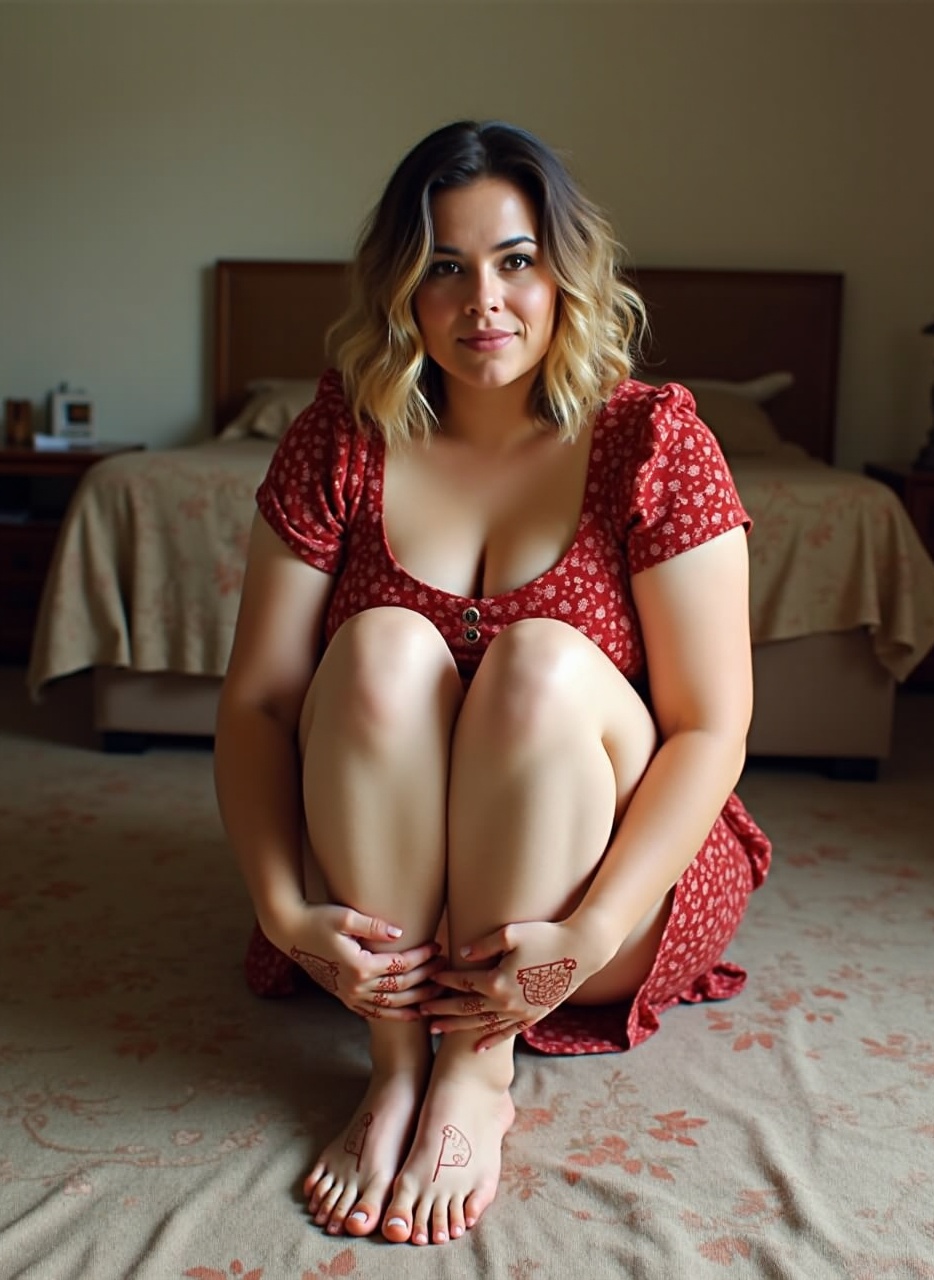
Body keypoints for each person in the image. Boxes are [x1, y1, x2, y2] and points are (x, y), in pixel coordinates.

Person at [213, 119, 771, 1248]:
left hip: (605, 892)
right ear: (400, 290)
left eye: (515, 259)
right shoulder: (341, 437)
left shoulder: (653, 438)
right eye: (445, 269)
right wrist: (280, 906)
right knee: (377, 643)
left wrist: (597, 923)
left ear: (564, 266)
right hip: (388, 905)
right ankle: (396, 1063)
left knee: (541, 660)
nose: (486, 302)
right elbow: (263, 704)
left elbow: (712, 726)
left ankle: (477, 1070)